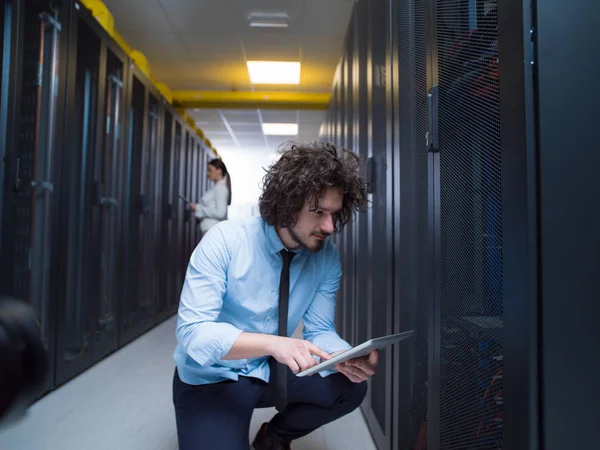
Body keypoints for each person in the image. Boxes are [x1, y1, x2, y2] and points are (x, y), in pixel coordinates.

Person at [173, 142, 377, 450]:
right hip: (212, 375)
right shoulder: (225, 241)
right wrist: (272, 343)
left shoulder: (326, 257)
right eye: (319, 212)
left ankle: (274, 437)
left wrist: (343, 357)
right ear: (286, 203)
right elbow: (193, 333)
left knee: (349, 387)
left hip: (268, 368)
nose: (329, 226)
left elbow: (321, 330)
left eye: (334, 214)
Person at [189, 158, 231, 235]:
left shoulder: (220, 189)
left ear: (219, 171)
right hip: (210, 231)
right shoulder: (217, 187)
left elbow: (221, 213)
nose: (208, 173)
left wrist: (198, 208)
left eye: (210, 170)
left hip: (212, 231)